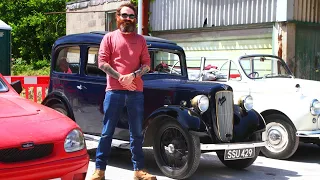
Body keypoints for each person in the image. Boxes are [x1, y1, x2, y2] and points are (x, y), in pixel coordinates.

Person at [90, 2, 157, 180]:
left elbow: (147, 65)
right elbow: (102, 63)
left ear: (135, 19)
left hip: (136, 92)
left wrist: (132, 76)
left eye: (131, 16)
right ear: (117, 17)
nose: (128, 19)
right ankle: (99, 170)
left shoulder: (141, 40)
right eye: (125, 15)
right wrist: (122, 78)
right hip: (114, 91)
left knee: (136, 133)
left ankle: (139, 170)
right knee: (107, 132)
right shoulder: (109, 38)